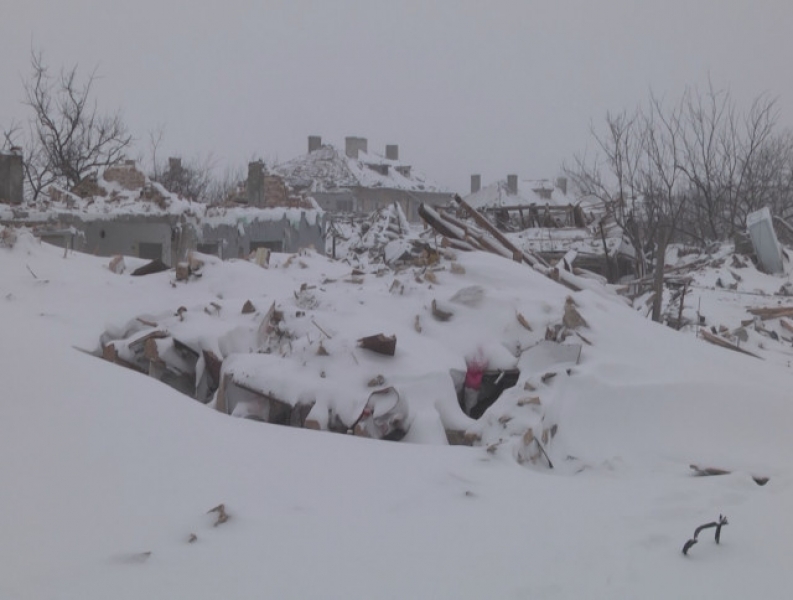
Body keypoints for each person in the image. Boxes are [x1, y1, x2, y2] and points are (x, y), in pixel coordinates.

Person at [463, 348, 488, 416]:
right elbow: (482, 366)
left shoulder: (471, 357)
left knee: (468, 403)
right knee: (471, 405)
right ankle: (469, 418)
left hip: (468, 384)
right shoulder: (478, 362)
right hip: (474, 386)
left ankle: (467, 416)